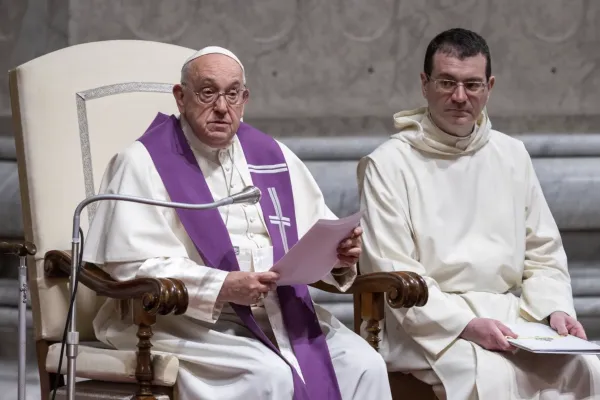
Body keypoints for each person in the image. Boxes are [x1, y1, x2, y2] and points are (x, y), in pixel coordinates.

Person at [83, 46, 391, 400]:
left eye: (232, 94)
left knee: (365, 365)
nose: (221, 107)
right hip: (185, 320)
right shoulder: (141, 162)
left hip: (280, 312)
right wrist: (221, 286)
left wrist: (339, 256)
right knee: (270, 375)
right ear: (181, 97)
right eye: (207, 92)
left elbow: (314, 234)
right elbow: (131, 264)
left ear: (244, 99)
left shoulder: (272, 155)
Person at [357, 28, 600, 400]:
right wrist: (466, 325)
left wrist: (554, 310)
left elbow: (544, 252)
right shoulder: (388, 164)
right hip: (429, 325)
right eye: (446, 82)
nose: (459, 97)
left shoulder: (512, 155)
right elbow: (391, 267)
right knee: (497, 379)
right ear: (424, 84)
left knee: (587, 370)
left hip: (512, 316)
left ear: (489, 86)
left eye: (472, 85)